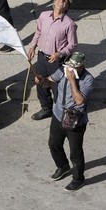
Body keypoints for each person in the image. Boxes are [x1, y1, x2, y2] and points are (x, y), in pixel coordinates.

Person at [37, 51, 95, 191]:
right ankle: (62, 166)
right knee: (54, 144)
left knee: (75, 153)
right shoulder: (63, 70)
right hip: (58, 115)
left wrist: (72, 80)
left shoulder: (88, 79)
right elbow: (49, 81)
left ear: (81, 67)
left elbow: (80, 101)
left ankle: (78, 178)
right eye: (68, 66)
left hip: (75, 120)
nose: (69, 70)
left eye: (73, 68)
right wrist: (42, 81)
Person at [26, 0, 77, 120]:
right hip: (42, 57)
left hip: (56, 61)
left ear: (67, 7)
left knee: (57, 87)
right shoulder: (44, 16)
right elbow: (38, 32)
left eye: (65, 1)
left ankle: (60, 110)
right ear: (54, 2)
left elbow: (72, 45)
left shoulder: (69, 24)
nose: (62, 2)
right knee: (40, 82)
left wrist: (60, 53)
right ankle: (46, 108)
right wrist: (32, 47)